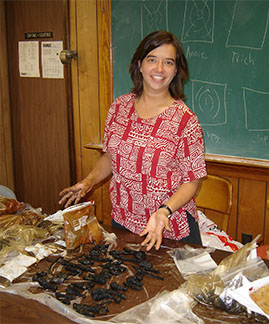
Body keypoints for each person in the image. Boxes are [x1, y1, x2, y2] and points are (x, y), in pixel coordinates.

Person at [59, 30, 207, 251]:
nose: (159, 69)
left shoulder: (185, 120)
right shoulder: (119, 107)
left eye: (168, 62)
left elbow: (192, 180)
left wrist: (163, 211)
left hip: (168, 227)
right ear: (139, 65)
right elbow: (111, 156)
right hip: (124, 220)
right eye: (152, 60)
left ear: (176, 70)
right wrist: (88, 182)